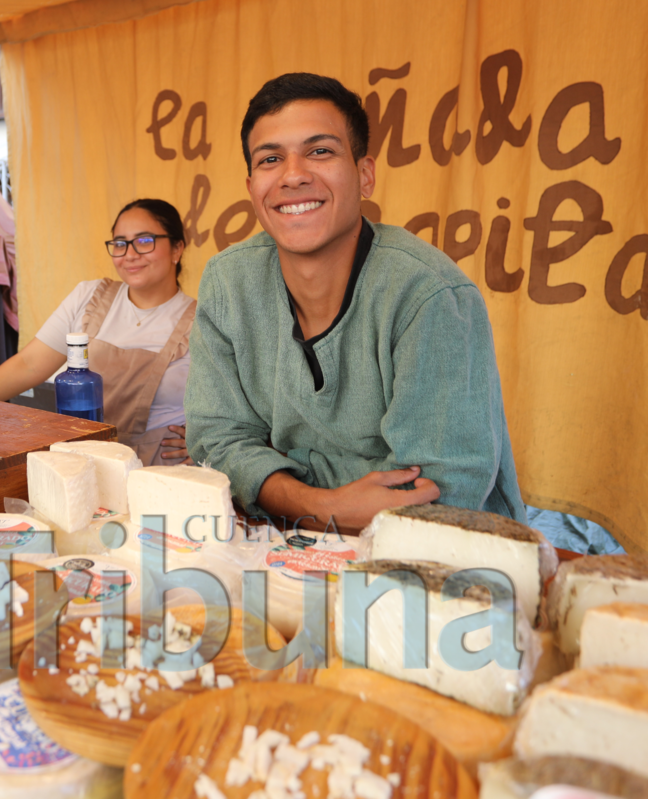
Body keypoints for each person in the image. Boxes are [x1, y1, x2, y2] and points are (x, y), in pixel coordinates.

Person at [185, 73, 527, 531]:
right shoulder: (228, 282)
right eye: (271, 159)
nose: (293, 176)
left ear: (364, 175)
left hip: (439, 564)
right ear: (252, 187)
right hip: (285, 549)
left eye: (320, 151)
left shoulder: (427, 295)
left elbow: (438, 495)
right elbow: (216, 442)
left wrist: (273, 480)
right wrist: (326, 505)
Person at [0, 198, 195, 465]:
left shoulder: (201, 321)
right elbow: (28, 364)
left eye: (145, 241)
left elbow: (233, 403)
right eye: (120, 244)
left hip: (158, 471)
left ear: (177, 248)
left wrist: (205, 441)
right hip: (85, 463)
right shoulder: (90, 297)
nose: (130, 254)